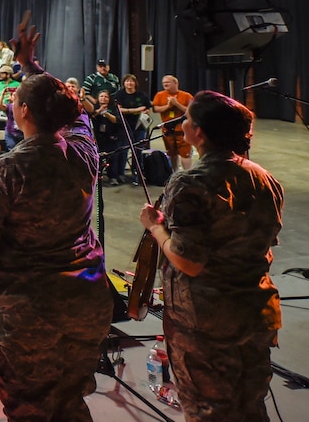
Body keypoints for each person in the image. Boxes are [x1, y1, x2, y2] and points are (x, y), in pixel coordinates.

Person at [0, 14, 113, 422]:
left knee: (29, 409)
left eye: (15, 99)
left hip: (25, 311)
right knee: (70, 401)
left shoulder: (6, 170)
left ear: (23, 111)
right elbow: (74, 113)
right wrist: (33, 67)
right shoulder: (84, 149)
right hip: (85, 302)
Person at [138, 91, 283, 422]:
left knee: (210, 411)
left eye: (187, 118)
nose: (183, 123)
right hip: (255, 311)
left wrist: (156, 227)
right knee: (250, 405)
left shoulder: (190, 183)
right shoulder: (265, 178)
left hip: (207, 324)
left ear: (199, 132)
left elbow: (189, 260)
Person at [153, 74, 193, 171]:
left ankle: (188, 175)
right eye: (163, 83)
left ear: (176, 83)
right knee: (171, 153)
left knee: (185, 154)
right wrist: (168, 106)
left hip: (183, 130)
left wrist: (176, 104)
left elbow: (191, 111)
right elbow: (155, 109)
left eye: (168, 82)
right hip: (168, 130)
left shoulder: (186, 96)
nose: (165, 84)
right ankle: (175, 173)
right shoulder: (160, 95)